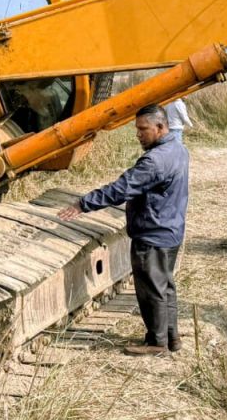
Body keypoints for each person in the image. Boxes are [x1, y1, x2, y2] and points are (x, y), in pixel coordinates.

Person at [59, 104, 190, 355]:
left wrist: (82, 204)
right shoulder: (179, 149)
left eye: (144, 129)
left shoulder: (154, 161)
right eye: (137, 129)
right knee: (165, 285)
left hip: (153, 232)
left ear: (161, 127)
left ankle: (156, 342)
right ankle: (172, 338)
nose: (139, 134)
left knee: (150, 288)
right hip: (171, 229)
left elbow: (120, 189)